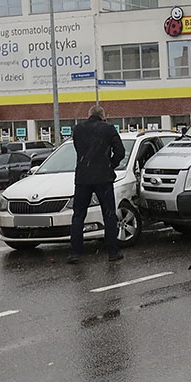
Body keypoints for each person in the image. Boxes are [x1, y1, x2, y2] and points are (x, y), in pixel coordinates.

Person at [68, 104, 125, 264]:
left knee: (78, 215)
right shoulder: (108, 129)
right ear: (103, 116)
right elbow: (120, 151)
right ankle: (112, 252)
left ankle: (75, 253)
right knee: (109, 215)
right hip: (103, 178)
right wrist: (110, 165)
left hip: (83, 178)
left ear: (88, 115)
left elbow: (79, 150)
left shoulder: (78, 129)